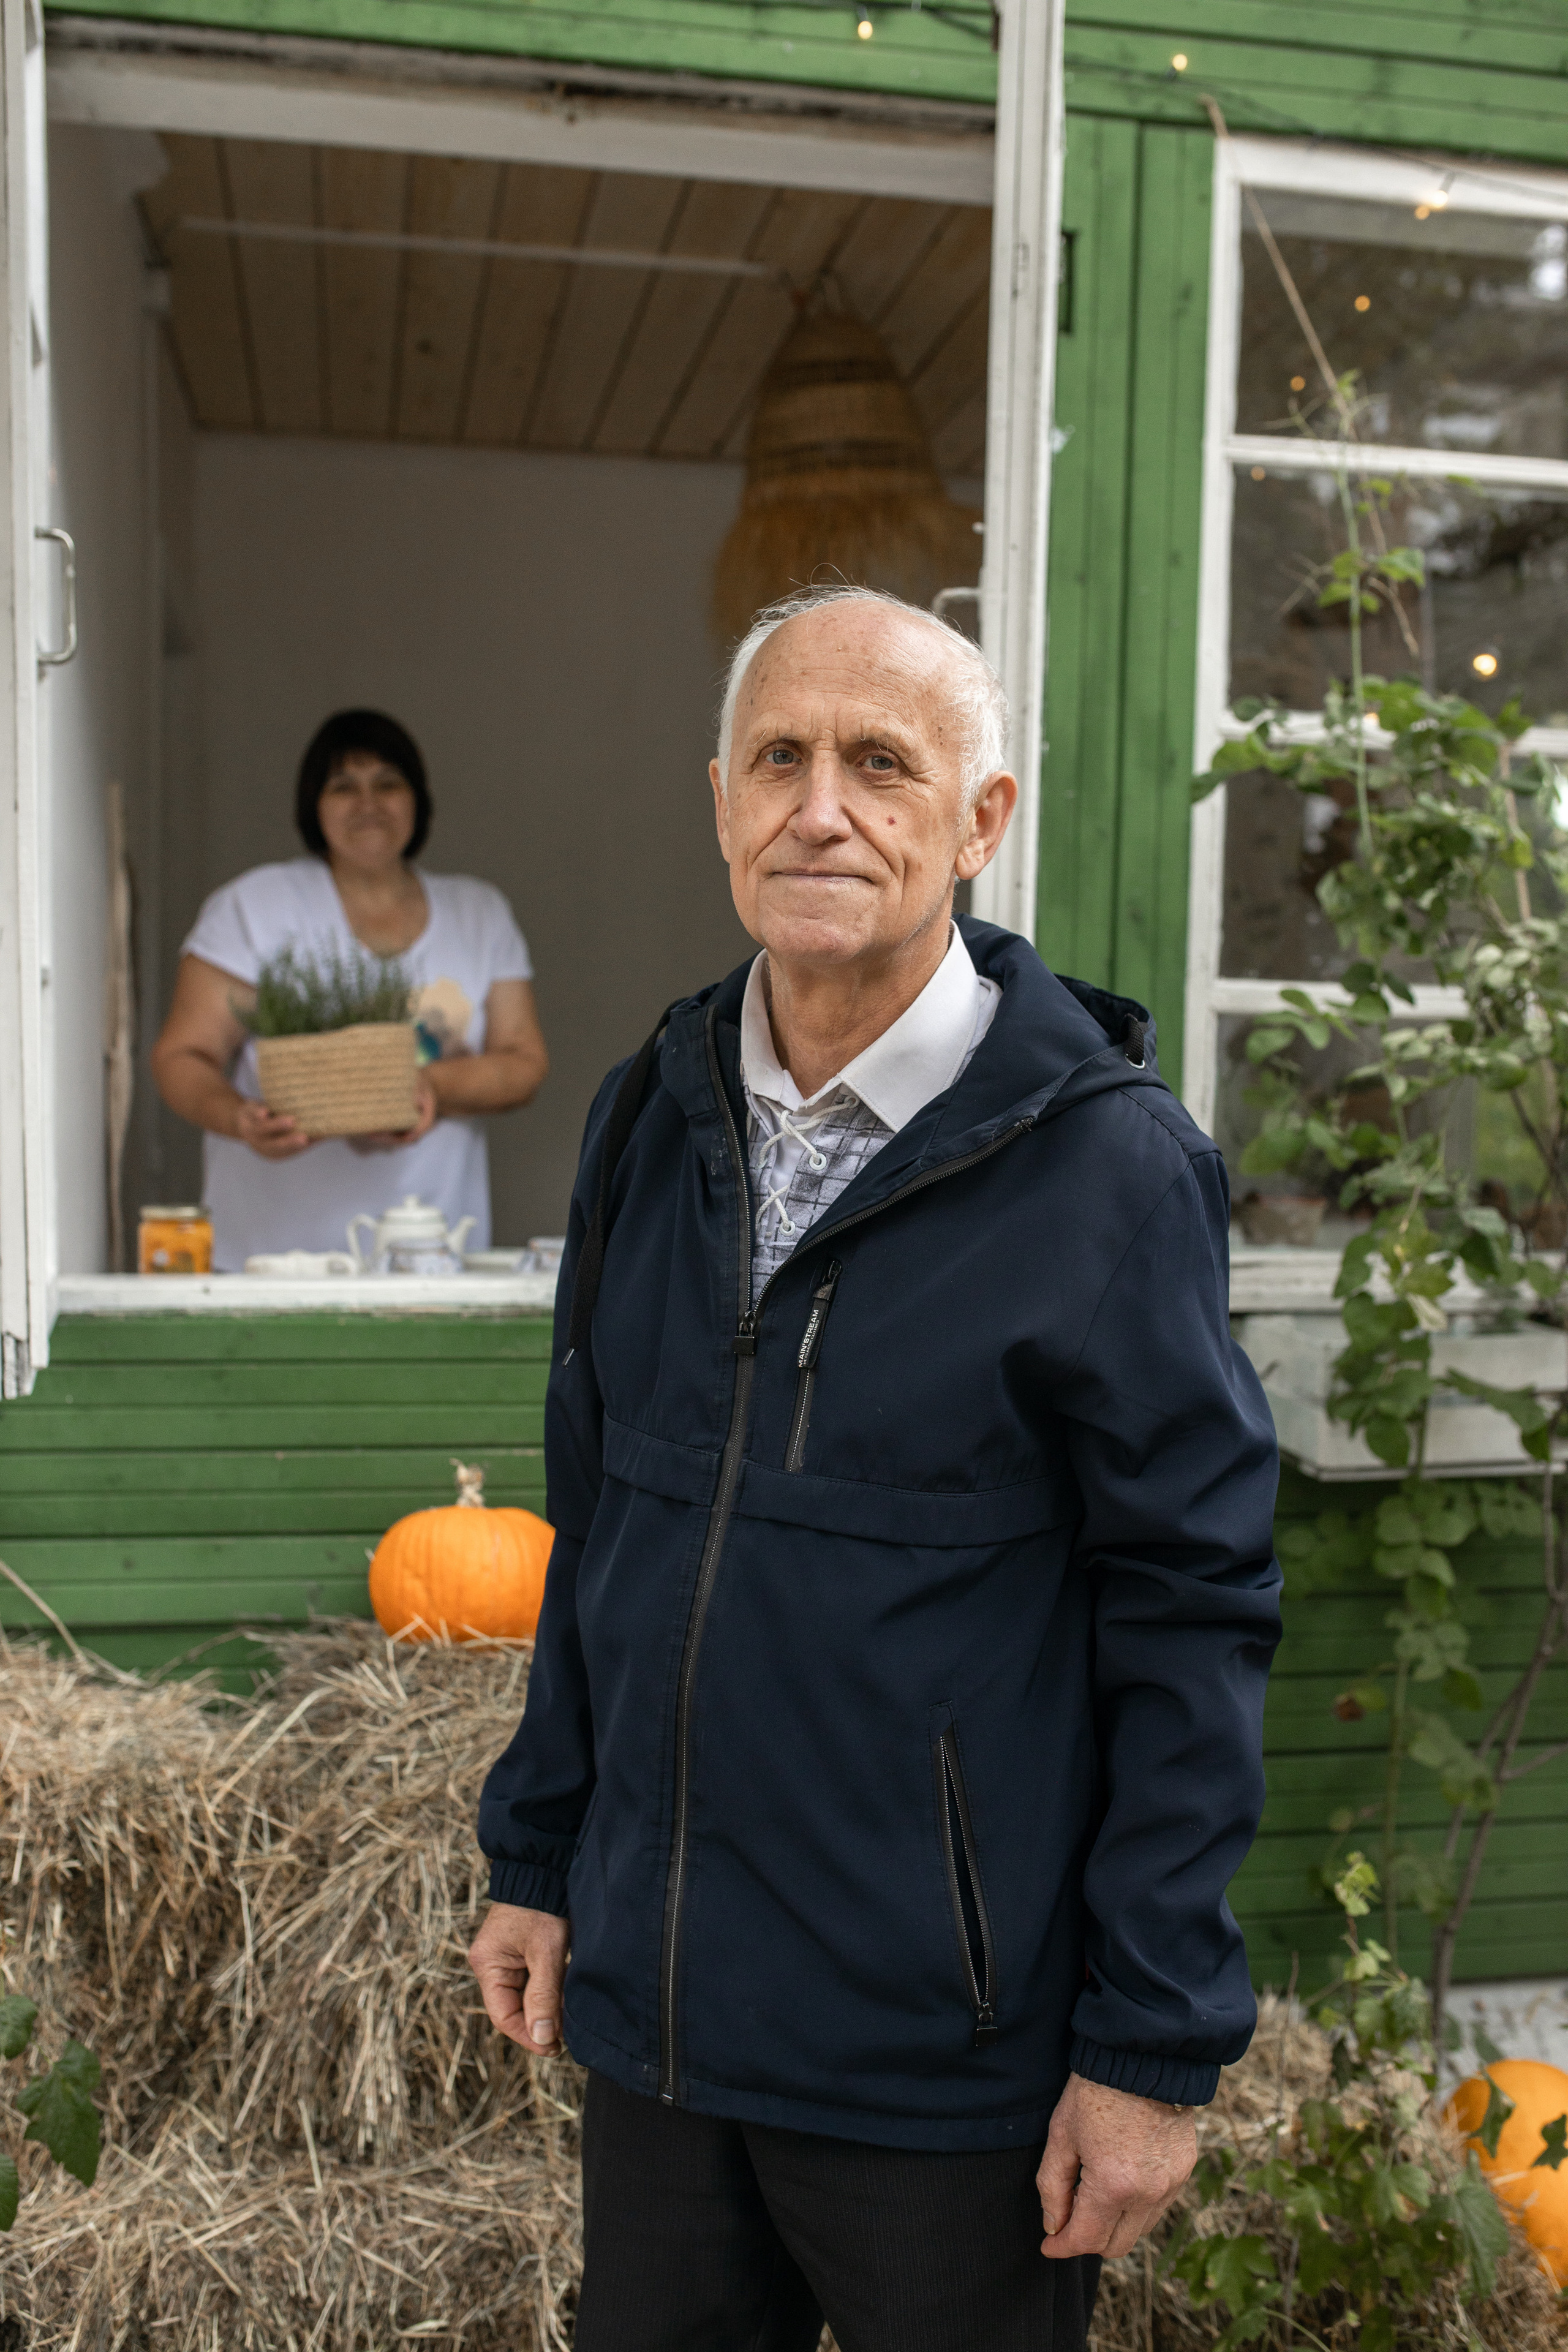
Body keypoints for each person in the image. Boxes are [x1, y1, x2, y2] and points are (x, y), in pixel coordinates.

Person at [469, 587, 1281, 2352]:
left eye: (881, 763)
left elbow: (1192, 1618)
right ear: (720, 802)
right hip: (667, 2032)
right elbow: (598, 1510)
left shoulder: (1115, 1179)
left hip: (944, 2070)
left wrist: (1149, 2045)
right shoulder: (649, 1108)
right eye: (780, 757)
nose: (819, 806)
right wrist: (538, 1848)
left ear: (980, 823)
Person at [151, 709, 548, 1270]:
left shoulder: (478, 913)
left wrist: (423, 1086)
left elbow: (524, 1062)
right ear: (314, 805)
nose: (369, 803)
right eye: (344, 787)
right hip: (271, 1265)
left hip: (429, 1264)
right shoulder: (256, 907)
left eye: (388, 782)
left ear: (419, 799)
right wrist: (239, 1118)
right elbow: (181, 1056)